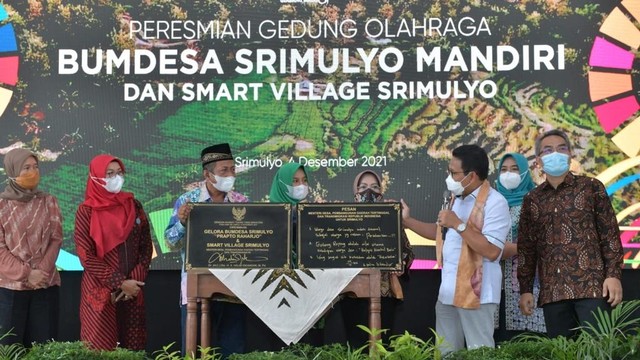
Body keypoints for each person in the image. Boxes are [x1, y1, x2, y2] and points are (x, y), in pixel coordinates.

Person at [400, 144, 510, 354]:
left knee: (480, 352)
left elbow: (492, 251)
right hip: (448, 291)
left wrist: (459, 224)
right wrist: (407, 221)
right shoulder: (455, 199)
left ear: (472, 176)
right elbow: (442, 235)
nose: (449, 177)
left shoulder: (495, 203)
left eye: (453, 173)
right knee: (446, 352)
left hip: (478, 294)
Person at [517, 129, 623, 339]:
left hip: (592, 287)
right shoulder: (532, 199)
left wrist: (613, 275)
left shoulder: (591, 187)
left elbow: (609, 234)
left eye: (561, 148)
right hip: (553, 292)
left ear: (570, 155)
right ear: (538, 161)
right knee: (562, 353)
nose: (555, 153)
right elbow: (526, 248)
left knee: (599, 350)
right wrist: (526, 289)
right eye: (548, 150)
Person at [165, 143, 248, 359]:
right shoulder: (187, 201)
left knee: (233, 352)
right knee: (196, 352)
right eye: (224, 170)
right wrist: (182, 222)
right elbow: (170, 242)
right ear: (207, 174)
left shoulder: (241, 201)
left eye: (232, 169)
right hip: (197, 289)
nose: (230, 174)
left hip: (234, 288)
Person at [74, 154, 153, 350]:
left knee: (133, 349)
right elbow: (86, 256)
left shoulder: (133, 205)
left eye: (119, 173)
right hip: (100, 293)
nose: (115, 178)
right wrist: (119, 283)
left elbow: (146, 247)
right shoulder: (86, 211)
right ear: (95, 177)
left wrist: (133, 281)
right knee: (100, 348)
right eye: (109, 174)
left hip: (133, 291)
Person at [340, 170, 414, 346]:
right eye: (363, 187)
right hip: (352, 295)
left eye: (374, 187)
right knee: (356, 346)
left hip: (384, 296)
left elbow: (408, 255)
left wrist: (399, 262)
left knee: (382, 346)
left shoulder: (390, 219)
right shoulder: (344, 220)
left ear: (381, 192)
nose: (369, 192)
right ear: (355, 192)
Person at [0, 148, 62, 346]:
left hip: (44, 285)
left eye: (36, 167)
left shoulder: (48, 201)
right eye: (26, 168)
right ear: (12, 171)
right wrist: (27, 274)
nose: (33, 172)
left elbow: (56, 238)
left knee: (44, 347)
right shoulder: (1, 205)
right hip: (10, 288)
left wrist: (40, 273)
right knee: (10, 348)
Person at [494, 153, 545, 339]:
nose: (508, 174)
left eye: (515, 169)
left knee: (529, 341)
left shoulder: (536, 200)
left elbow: (546, 239)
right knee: (499, 340)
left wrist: (516, 249)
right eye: (504, 170)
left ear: (525, 172)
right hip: (495, 284)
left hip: (529, 283)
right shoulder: (490, 202)